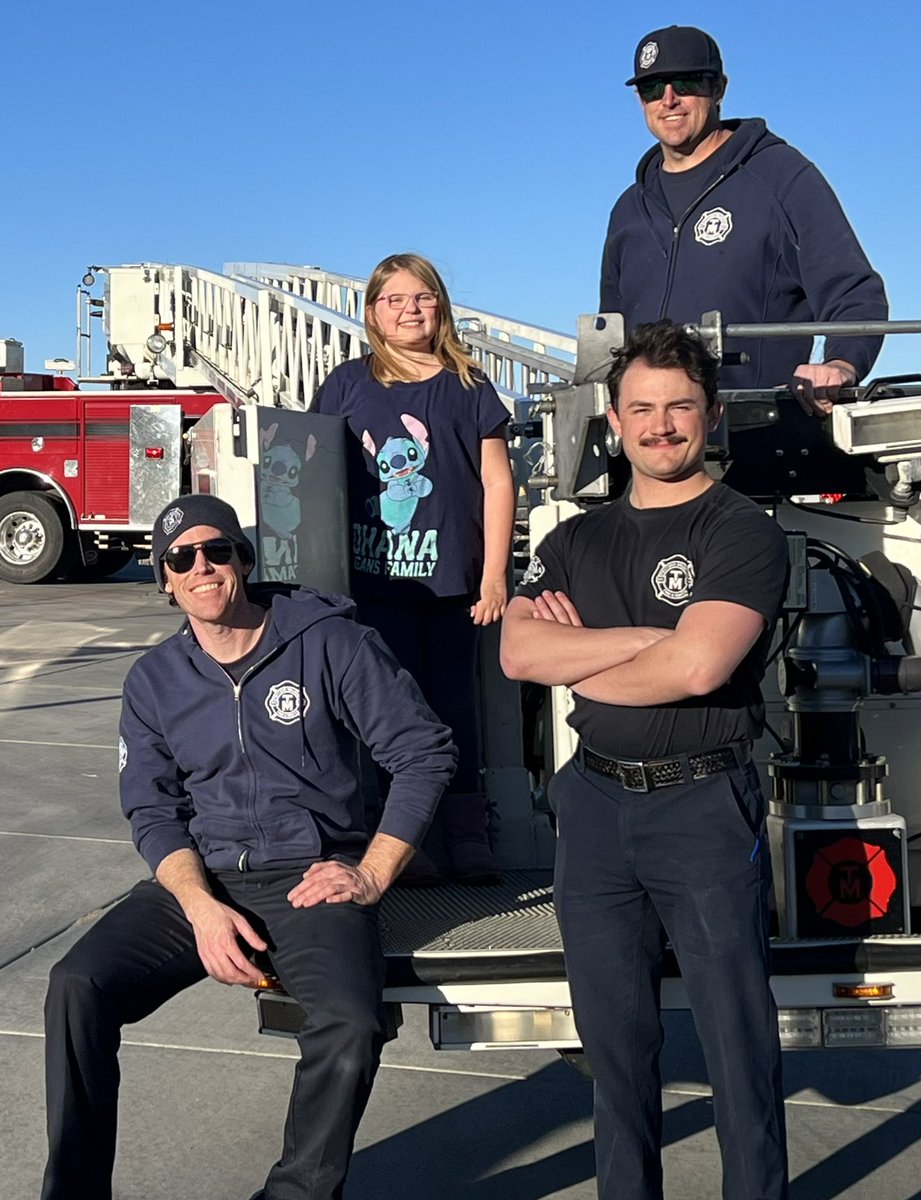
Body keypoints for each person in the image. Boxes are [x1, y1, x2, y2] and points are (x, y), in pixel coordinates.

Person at [40, 493, 456, 1200]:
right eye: (180, 559)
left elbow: (422, 753)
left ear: (242, 559)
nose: (201, 567)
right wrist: (199, 908)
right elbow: (151, 808)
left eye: (216, 551)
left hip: (309, 876)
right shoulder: (153, 681)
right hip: (204, 879)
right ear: (165, 580)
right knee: (76, 988)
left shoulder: (330, 642)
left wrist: (370, 874)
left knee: (351, 1027)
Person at [501, 321, 789, 1200]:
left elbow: (698, 668)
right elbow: (519, 655)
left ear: (708, 416)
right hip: (592, 812)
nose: (659, 425)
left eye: (678, 407)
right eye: (641, 409)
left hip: (699, 808)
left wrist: (585, 656)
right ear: (613, 422)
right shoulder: (574, 541)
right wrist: (643, 644)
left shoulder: (740, 530)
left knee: (736, 1044)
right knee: (614, 1047)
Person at [601, 24, 888, 497]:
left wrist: (840, 362)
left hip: (757, 458)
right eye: (653, 88)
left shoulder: (781, 176)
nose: (668, 99)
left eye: (687, 82)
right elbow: (611, 335)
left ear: (719, 89)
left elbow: (854, 290)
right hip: (652, 472)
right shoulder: (629, 208)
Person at [312, 252, 514, 884]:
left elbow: (496, 480)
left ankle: (467, 829)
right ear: (372, 311)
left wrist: (496, 574)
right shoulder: (347, 383)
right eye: (394, 300)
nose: (409, 310)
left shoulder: (470, 385)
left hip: (454, 582)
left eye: (421, 297)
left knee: (457, 708)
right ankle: (406, 839)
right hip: (375, 585)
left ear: (441, 306)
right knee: (389, 714)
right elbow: (313, 471)